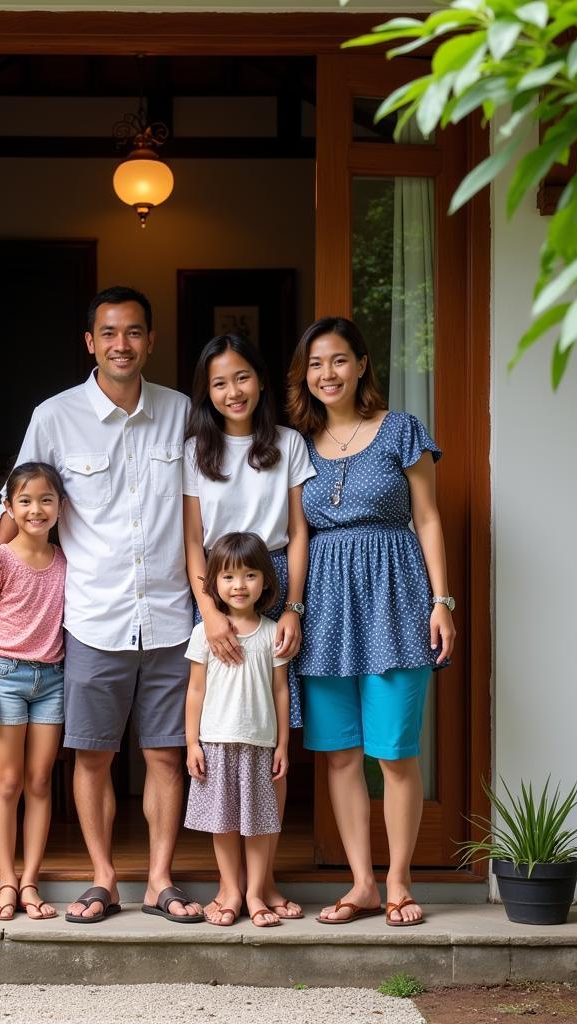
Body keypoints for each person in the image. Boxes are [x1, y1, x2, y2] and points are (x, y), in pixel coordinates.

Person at [0, 286, 203, 925]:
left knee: (163, 754)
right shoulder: (54, 416)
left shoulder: (183, 412)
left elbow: (202, 509)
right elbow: (15, 506)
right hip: (93, 617)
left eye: (133, 332)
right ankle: (104, 879)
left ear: (150, 341)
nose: (121, 344)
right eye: (109, 333)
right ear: (90, 342)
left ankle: (159, 879)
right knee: (93, 755)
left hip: (167, 613)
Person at [287, 316, 456, 928]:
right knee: (338, 754)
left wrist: (443, 601)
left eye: (337, 360)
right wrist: (294, 608)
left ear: (361, 365)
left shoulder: (400, 431)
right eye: (314, 364)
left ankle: (400, 880)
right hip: (324, 605)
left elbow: (429, 518)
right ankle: (360, 882)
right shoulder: (294, 445)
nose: (326, 374)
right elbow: (296, 533)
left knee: (394, 752)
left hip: (395, 595)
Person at [182, 333, 314, 922]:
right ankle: (236, 886)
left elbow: (301, 530)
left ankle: (265, 877)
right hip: (217, 586)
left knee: (269, 742)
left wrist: (293, 607)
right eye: (218, 382)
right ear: (206, 393)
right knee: (225, 737)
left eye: (241, 377)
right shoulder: (195, 451)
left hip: (273, 585)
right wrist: (209, 610)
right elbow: (191, 540)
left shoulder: (287, 443)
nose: (232, 391)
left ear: (259, 380)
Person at [0, 462, 68, 922]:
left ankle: (30, 881)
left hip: (52, 680)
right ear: (9, 507)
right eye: (25, 501)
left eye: (46, 500)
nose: (36, 509)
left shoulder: (66, 562)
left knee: (40, 782)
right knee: (8, 782)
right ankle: (6, 881)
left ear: (60, 508)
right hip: (5, 676)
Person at [184, 532, 291, 928]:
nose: (239, 585)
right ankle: (230, 890)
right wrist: (192, 742)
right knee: (224, 823)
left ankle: (256, 894)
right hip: (215, 744)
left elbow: (281, 692)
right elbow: (195, 690)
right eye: (228, 577)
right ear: (214, 584)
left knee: (259, 824)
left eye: (249, 575)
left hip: (259, 745)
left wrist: (283, 744)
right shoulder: (204, 633)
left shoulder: (272, 632)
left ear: (265, 580)